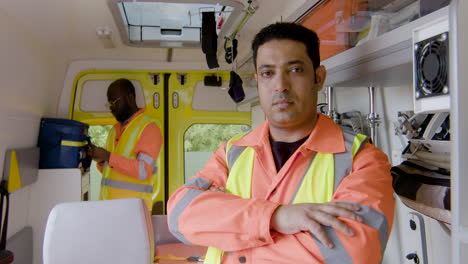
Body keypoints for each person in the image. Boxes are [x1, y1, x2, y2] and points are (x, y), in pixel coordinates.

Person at [167, 22, 395, 263]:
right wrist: (277, 217)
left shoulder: (363, 160)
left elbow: (350, 253)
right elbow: (180, 215)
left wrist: (230, 235)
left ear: (318, 78)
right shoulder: (232, 152)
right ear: (258, 80)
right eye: (268, 73)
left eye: (295, 70)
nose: (280, 85)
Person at [87, 78, 162, 212]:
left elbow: (143, 171)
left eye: (115, 102)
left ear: (130, 98)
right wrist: (99, 159)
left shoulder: (148, 127)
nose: (111, 108)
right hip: (108, 209)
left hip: (133, 212)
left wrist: (107, 156)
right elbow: (111, 170)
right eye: (109, 104)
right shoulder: (113, 130)